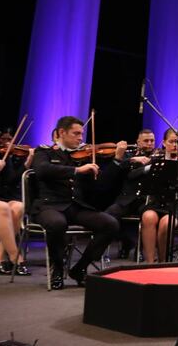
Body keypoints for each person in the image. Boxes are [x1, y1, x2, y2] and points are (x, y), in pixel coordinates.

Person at [31, 116, 119, 289]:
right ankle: (57, 268)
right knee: (57, 223)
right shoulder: (45, 151)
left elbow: (99, 187)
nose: (80, 138)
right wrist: (77, 170)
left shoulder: (82, 155)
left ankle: (80, 268)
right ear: (62, 133)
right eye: (76, 133)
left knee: (110, 224)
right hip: (49, 205)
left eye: (82, 134)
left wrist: (113, 164)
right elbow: (42, 170)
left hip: (74, 206)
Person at [137, 129, 178, 263]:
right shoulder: (155, 161)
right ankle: (149, 264)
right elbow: (134, 174)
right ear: (164, 143)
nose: (175, 145)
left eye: (177, 142)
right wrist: (149, 166)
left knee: (165, 224)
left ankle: (162, 263)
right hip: (157, 204)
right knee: (148, 217)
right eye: (171, 141)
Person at [104, 128, 155, 259]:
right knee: (108, 215)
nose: (149, 143)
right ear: (138, 142)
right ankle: (126, 243)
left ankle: (142, 249)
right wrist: (134, 159)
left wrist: (148, 165)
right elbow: (119, 168)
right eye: (146, 141)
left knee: (148, 218)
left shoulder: (158, 156)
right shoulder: (128, 155)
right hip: (127, 198)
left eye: (152, 141)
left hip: (147, 200)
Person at [0, 130, 33, 276]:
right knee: (4, 208)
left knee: (18, 207)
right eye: (3, 139)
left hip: (7, 196)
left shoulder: (11, 156)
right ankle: (15, 256)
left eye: (10, 139)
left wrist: (28, 161)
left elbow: (12, 179)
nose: (7, 142)